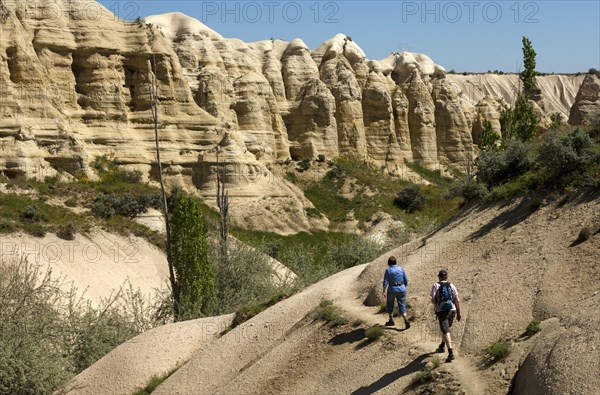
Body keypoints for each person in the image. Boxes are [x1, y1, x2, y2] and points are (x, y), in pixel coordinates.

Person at [430, 269, 461, 362]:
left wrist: (436, 307)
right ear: (446, 277)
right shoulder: (452, 285)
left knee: (446, 331)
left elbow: (432, 299)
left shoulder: (436, 285)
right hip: (452, 310)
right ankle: (442, 344)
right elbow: (457, 300)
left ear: (439, 277)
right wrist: (459, 313)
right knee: (446, 329)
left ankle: (451, 353)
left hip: (442, 311)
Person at [382, 256, 410, 329]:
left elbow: (385, 282)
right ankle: (405, 318)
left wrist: (383, 291)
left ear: (388, 263)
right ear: (396, 262)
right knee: (402, 305)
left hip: (392, 289)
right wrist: (403, 286)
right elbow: (406, 281)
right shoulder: (401, 269)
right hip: (402, 289)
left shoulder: (388, 270)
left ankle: (391, 320)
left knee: (390, 304)